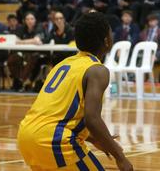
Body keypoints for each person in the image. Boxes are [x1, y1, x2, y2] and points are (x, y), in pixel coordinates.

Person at [17, 11, 133, 171]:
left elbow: (56, 113)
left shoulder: (63, 64)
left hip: (26, 136)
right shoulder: (97, 70)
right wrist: (120, 158)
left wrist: (94, 139)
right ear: (107, 41)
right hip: (54, 141)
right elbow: (92, 119)